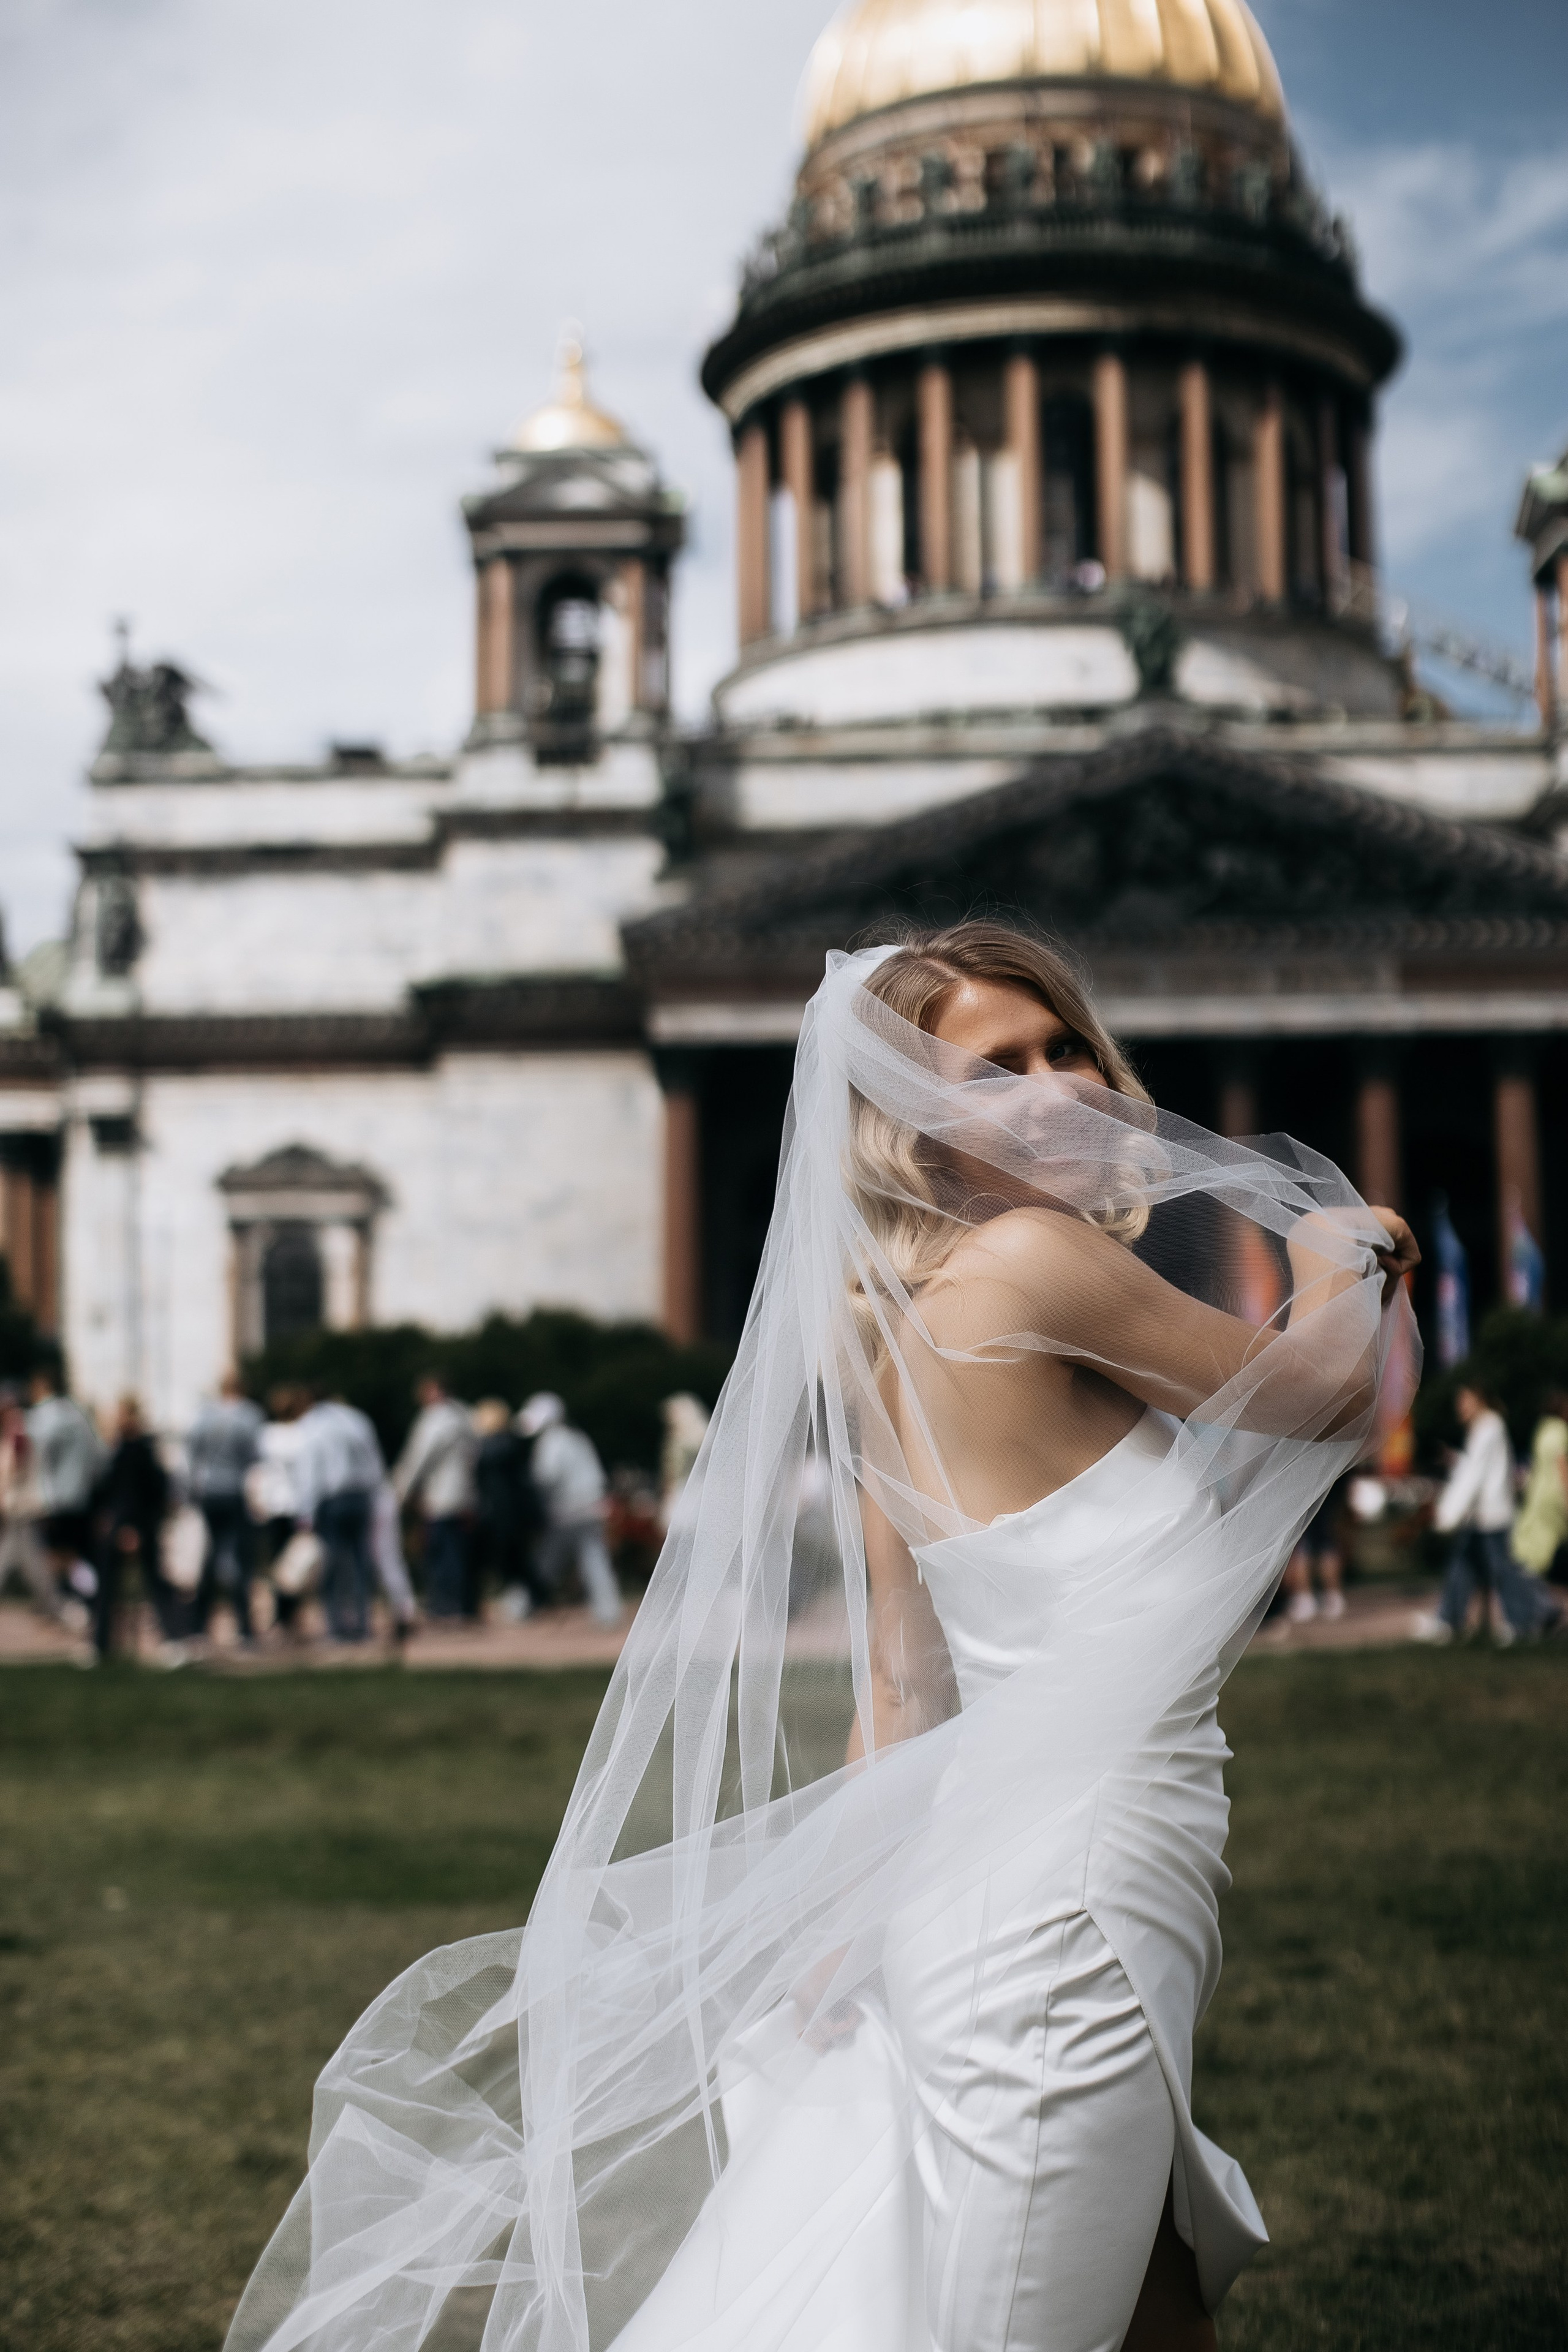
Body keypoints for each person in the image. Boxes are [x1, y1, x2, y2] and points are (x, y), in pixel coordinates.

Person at [228, 924, 1419, 2352]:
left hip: (1005, 1873)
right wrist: (1343, 1254)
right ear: (913, 1128)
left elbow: (900, 1678)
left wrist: (850, 1911)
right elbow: (1311, 1392)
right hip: (1067, 1894)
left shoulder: (889, 1342)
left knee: (1146, 2300)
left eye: (1065, 1049)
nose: (1060, 1083)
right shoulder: (1032, 1260)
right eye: (999, 1066)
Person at [1412, 1383, 1562, 1646]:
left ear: (1480, 1400)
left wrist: (1446, 1514)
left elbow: (1474, 1476)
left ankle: (1534, 1617)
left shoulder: (1489, 1428)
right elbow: (1473, 1470)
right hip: (1481, 1517)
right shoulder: (1483, 1429)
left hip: (1493, 1516)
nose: (1460, 1407)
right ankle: (1449, 1620)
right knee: (1464, 1567)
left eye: (1465, 1400)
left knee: (1505, 1572)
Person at [518, 1390, 622, 1627]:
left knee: (548, 1560)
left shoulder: (552, 1442)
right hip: (590, 1508)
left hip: (568, 1511)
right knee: (593, 1559)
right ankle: (608, 1610)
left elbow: (546, 1478)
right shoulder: (576, 1437)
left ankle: (521, 1604)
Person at [293, 1392, 383, 1643]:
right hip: (360, 1497)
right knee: (360, 1561)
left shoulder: (313, 1424)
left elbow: (309, 1471)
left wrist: (305, 1512)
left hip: (331, 1499)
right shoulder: (357, 1420)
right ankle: (363, 1623)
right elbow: (374, 1462)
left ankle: (336, 1626)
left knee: (332, 1564)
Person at [94, 1394, 176, 1661]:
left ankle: (168, 1638)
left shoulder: (135, 1449)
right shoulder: (133, 1447)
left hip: (134, 1525)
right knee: (136, 1583)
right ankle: (104, 1643)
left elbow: (134, 1494)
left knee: (141, 1583)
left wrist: (130, 1527)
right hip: (135, 1524)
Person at [392, 1374, 478, 1621]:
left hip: (442, 1496)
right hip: (466, 1495)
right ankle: (464, 1604)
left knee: (442, 1552)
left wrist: (400, 1490)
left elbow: (418, 1458)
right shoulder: (465, 1414)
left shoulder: (436, 1419)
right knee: (460, 1551)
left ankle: (446, 1606)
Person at [187, 1371, 264, 1646]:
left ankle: (198, 1624)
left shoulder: (205, 1415)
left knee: (209, 1557)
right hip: (235, 1490)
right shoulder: (250, 1415)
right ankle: (244, 1628)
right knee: (239, 1559)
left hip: (208, 1490)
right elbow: (256, 1455)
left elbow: (192, 1453)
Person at [27, 1362, 102, 1609]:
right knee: (76, 1553)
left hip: (54, 1497)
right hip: (81, 1494)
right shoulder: (77, 1414)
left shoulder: (41, 1417)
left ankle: (78, 1602)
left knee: (57, 1557)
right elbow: (98, 1454)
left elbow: (35, 1459)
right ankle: (87, 1600)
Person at [473, 1398, 546, 1622]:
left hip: (503, 1514)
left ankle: (525, 1601)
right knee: (518, 1560)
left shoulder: (493, 1449)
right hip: (515, 1513)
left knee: (510, 1561)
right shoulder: (514, 1444)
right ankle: (531, 1598)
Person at [0, 1384, 59, 1616]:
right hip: (18, 1507)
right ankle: (53, 1605)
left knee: (17, 1559)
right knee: (29, 1561)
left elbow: (15, 1471)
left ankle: (55, 1605)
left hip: (19, 1506)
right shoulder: (17, 1432)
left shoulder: (17, 1433)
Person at [1510, 1389, 1568, 1589]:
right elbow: (1562, 1467)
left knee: (1537, 1543)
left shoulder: (1542, 1430)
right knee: (1551, 1547)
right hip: (1555, 1495)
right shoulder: (1561, 1430)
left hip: (1539, 1493)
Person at [1280, 1474, 1349, 1624]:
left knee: (1303, 1540)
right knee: (1325, 1537)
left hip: (1304, 1481)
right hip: (1330, 1479)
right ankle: (1332, 1596)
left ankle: (1305, 1596)